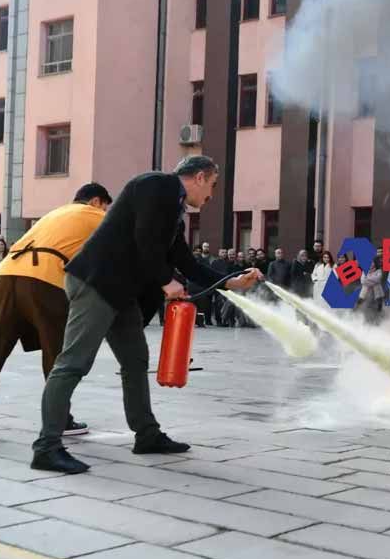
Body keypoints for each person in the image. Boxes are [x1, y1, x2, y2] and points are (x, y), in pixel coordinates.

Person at [30, 156, 262, 474]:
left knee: (136, 361)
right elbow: (145, 239)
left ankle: (147, 435)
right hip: (96, 282)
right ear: (199, 177)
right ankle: (46, 448)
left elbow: (187, 263)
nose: (211, 195)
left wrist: (232, 282)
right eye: (212, 185)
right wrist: (167, 282)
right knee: (73, 363)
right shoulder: (156, 185)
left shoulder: (174, 212)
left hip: (120, 292)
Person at [0, 184, 113, 437]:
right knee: (57, 351)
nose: (106, 211)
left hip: (7, 275)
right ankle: (59, 419)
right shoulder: (95, 215)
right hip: (43, 279)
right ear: (97, 201)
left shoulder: (54, 214)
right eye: (106, 206)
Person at [358, 256, 385, 323]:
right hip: (366, 294)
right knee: (366, 307)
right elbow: (362, 281)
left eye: (371, 262)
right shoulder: (364, 271)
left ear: (375, 263)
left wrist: (367, 279)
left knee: (377, 308)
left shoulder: (378, 271)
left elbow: (378, 279)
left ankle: (377, 322)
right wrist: (373, 281)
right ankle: (365, 321)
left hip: (377, 294)